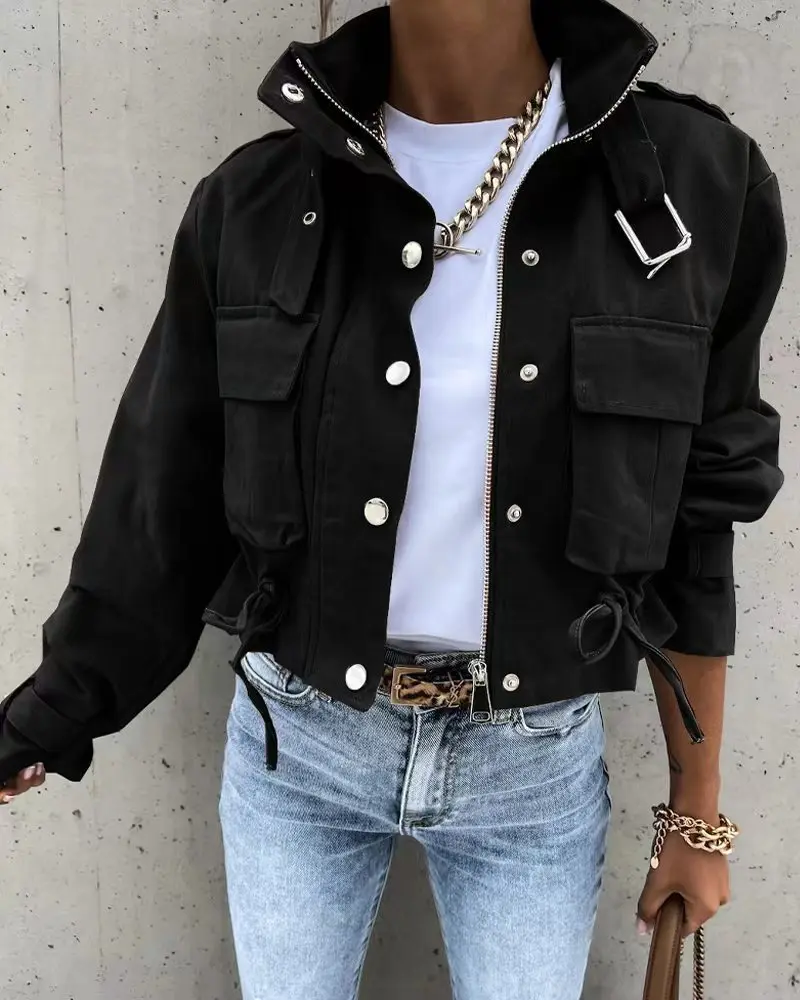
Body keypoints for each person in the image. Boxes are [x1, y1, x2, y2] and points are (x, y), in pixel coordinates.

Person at [0, 0, 786, 997]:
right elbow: (161, 506)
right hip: (299, 746)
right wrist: (50, 714)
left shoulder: (692, 184)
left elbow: (699, 527)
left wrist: (695, 812)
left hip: (531, 767)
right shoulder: (254, 203)